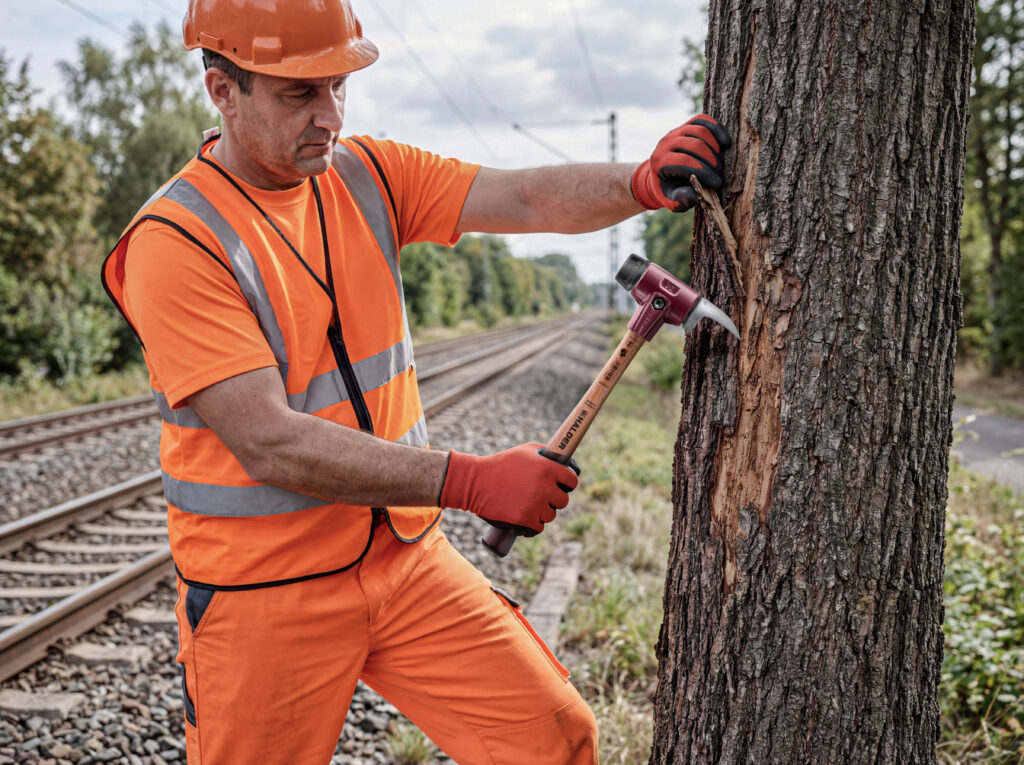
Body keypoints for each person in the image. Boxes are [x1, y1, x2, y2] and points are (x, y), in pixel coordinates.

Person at [101, 1, 731, 762]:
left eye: (338, 87)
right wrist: (469, 480)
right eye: (299, 95)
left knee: (553, 739)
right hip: (266, 594)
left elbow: (524, 196)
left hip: (402, 561)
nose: (329, 116)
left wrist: (638, 181)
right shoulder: (176, 240)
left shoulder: (367, 175)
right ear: (222, 92)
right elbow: (269, 442)